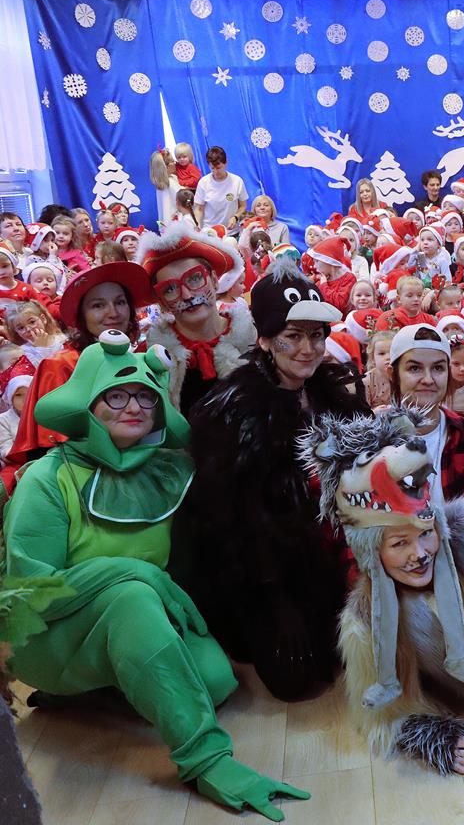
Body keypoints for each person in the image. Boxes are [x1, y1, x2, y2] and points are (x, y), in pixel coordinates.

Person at [3, 331, 309, 820]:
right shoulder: (47, 478)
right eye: (116, 396)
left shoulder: (169, 469)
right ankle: (205, 758)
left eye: (145, 396)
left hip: (142, 624)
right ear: (87, 405)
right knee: (131, 598)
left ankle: (102, 687)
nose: (134, 406)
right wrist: (135, 575)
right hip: (48, 633)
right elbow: (32, 594)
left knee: (214, 682)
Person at [170, 260, 368, 701]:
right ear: (264, 339)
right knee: (298, 680)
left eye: (316, 335)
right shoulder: (233, 409)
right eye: (292, 336)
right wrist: (275, 595)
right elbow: (228, 522)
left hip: (335, 543)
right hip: (265, 566)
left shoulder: (328, 391)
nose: (308, 349)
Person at [4, 262, 155, 490]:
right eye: (98, 305)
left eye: (120, 302)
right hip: (81, 482)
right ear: (81, 315)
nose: (113, 313)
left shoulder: (141, 358)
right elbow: (51, 448)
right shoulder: (60, 365)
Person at [139, 223, 256, 415]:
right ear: (162, 303)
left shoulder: (255, 339)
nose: (186, 295)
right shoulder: (151, 355)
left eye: (194, 278)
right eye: (170, 289)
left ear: (214, 280)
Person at [385, 323, 464, 499]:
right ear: (393, 375)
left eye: (438, 368)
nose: (428, 379)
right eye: (414, 368)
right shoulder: (374, 441)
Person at [193, 146, 248, 232]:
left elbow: (243, 205)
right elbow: (199, 208)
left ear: (226, 163)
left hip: (231, 231)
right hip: (210, 231)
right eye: (212, 168)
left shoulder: (237, 181)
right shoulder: (203, 182)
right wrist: (198, 224)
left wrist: (235, 217)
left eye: (218, 168)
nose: (216, 172)